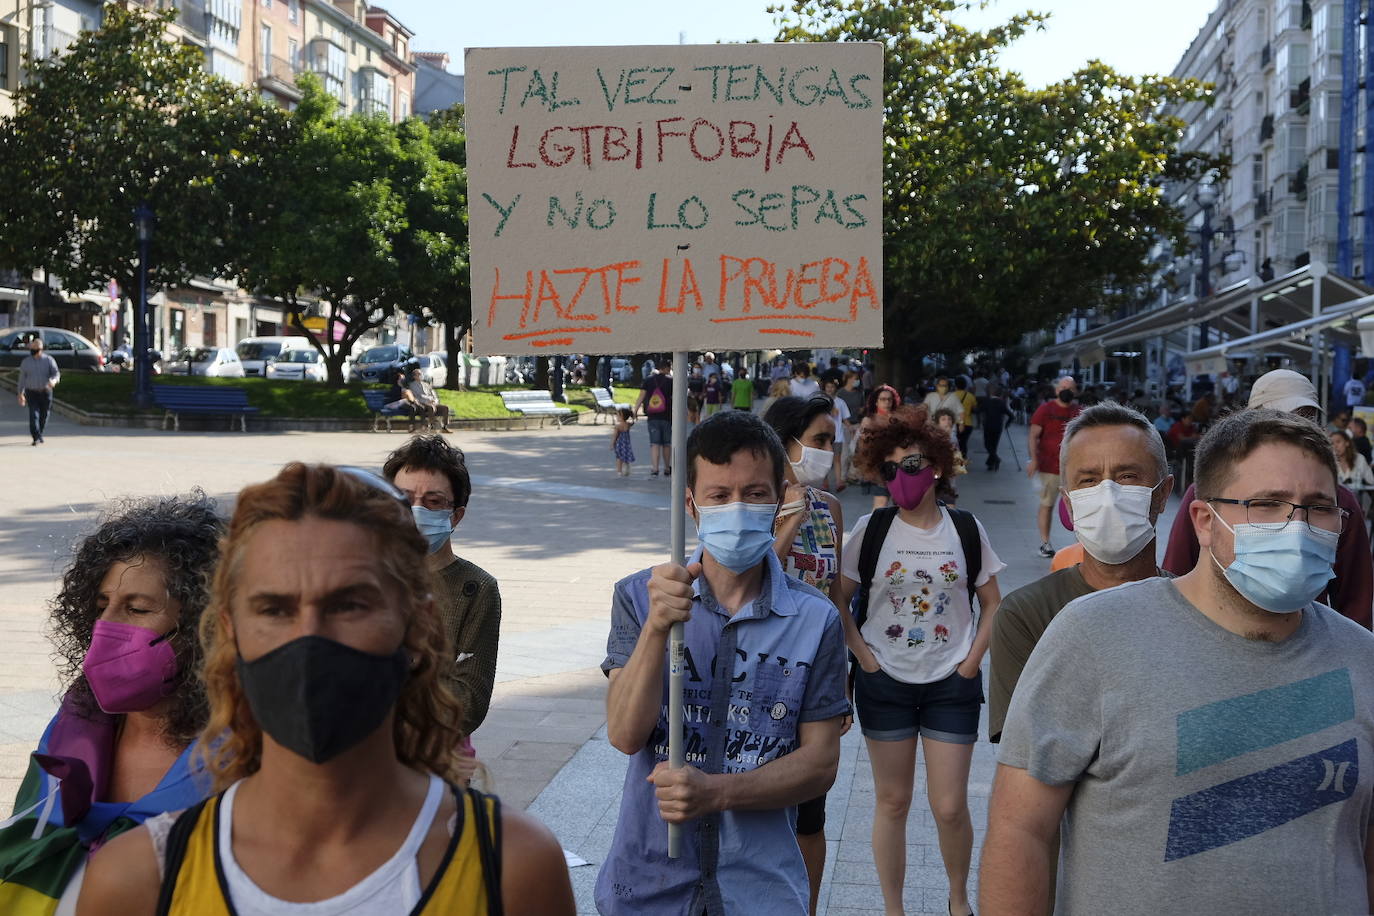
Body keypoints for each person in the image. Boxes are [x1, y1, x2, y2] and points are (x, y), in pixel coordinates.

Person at [78, 464, 573, 916]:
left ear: (416, 625)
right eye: (274, 609)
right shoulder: (137, 882)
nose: (309, 640)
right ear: (231, 632)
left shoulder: (512, 868)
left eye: (350, 604)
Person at [981, 409, 1374, 914]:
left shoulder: (1362, 658)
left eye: (1318, 507)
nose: (1296, 526)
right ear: (1205, 522)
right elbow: (1021, 830)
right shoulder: (1093, 637)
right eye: (1267, 504)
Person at [596, 411, 849, 916]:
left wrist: (717, 792)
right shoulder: (639, 597)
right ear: (691, 504)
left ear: (779, 498)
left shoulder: (815, 619)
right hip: (648, 886)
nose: (738, 508)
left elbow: (819, 764)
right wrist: (656, 629)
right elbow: (625, 734)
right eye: (719, 495)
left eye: (755, 494)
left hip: (758, 889)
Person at [0, 495, 223, 914]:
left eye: (137, 609)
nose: (106, 628)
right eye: (101, 606)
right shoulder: (73, 725)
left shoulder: (244, 749)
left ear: (203, 622)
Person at [986, 403, 1172, 901]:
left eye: (1128, 476)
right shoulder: (1028, 616)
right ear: (1067, 500)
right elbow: (1027, 809)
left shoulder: (1198, 610)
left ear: (1163, 494)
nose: (1107, 493)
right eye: (1088, 480)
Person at [833, 405, 1004, 916]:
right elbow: (837, 598)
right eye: (889, 469)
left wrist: (971, 663)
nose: (900, 478)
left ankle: (957, 900)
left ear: (934, 466)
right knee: (893, 801)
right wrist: (863, 658)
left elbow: (995, 602)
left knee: (950, 807)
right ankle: (894, 909)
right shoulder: (873, 529)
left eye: (909, 465)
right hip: (885, 681)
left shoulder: (966, 529)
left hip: (951, 683)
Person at [1163, 368, 1372, 629]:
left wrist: (1352, 655)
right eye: (1265, 504)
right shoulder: (1209, 494)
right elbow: (1177, 572)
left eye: (1306, 419)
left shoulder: (1340, 503)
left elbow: (1356, 598)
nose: (1292, 428)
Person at [761, 395, 848, 915]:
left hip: (814, 681)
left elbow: (837, 597)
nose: (826, 452)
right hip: (760, 673)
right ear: (786, 442)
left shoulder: (832, 508)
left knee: (810, 814)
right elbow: (751, 581)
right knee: (757, 803)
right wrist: (788, 517)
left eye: (830, 442)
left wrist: (844, 684)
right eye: (818, 440)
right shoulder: (755, 503)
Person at [383, 437, 501, 741]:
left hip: (434, 761)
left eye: (433, 502)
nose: (416, 511)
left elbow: (468, 704)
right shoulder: (358, 575)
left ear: (455, 515)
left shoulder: (476, 589)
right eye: (404, 499)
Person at [1027, 375, 1081, 558]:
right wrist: (1034, 460)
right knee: (1047, 505)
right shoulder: (1045, 409)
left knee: (1078, 507)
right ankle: (1045, 543)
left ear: (1075, 391)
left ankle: (1081, 545)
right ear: (1057, 390)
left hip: (1074, 469)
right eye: (1064, 386)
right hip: (1048, 467)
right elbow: (1033, 435)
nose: (1066, 390)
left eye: (1070, 387)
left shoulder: (1080, 412)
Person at [861, 384, 902, 510]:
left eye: (889, 399)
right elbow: (863, 446)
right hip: (879, 468)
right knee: (880, 504)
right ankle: (876, 529)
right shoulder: (868, 421)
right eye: (883, 399)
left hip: (899, 466)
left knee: (901, 504)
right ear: (876, 402)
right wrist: (866, 468)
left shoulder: (898, 419)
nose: (887, 402)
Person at [634, 359, 674, 477]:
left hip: (652, 416)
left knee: (654, 443)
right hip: (667, 416)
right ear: (667, 368)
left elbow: (641, 396)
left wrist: (635, 410)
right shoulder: (671, 381)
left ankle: (655, 468)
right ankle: (667, 468)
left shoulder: (649, 380)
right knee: (667, 443)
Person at [18, 335, 60, 445]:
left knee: (44, 415)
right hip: (31, 392)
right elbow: (22, 379)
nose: (32, 350)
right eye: (31, 348)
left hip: (45, 392)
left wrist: (53, 381)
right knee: (33, 415)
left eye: (34, 349)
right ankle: (35, 437)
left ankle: (39, 433)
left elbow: (56, 373)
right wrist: (20, 394)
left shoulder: (49, 360)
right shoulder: (26, 362)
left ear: (40, 350)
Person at [821, 377, 850, 491]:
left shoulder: (840, 402)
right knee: (824, 461)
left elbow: (845, 418)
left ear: (835, 389)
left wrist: (851, 428)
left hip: (837, 436)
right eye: (828, 387)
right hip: (824, 436)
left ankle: (839, 481)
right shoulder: (822, 401)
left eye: (832, 387)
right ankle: (825, 483)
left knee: (836, 460)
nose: (830, 389)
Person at [407, 367, 452, 433]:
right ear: (414, 376)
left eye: (421, 374)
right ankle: (432, 426)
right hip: (422, 403)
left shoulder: (426, 385)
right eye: (418, 374)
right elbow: (417, 396)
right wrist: (428, 400)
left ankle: (444, 427)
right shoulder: (412, 385)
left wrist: (435, 401)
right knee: (431, 407)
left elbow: (434, 395)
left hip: (432, 403)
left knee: (445, 408)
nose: (421, 375)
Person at [1333, 429, 1374, 494]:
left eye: (1338, 442)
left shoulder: (1359, 459)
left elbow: (1371, 481)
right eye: (1332, 443)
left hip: (1356, 501)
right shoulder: (1329, 461)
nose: (1335, 446)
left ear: (1347, 443)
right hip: (1336, 502)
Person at [981, 387, 1012, 471]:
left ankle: (996, 459)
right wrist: (1007, 424)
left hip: (988, 426)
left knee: (987, 445)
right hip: (998, 427)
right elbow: (1011, 415)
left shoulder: (987, 401)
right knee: (994, 446)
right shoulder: (1002, 403)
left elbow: (979, 410)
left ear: (992, 393)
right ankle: (990, 464)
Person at [953, 377, 977, 457]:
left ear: (955, 385)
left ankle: (956, 459)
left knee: (955, 443)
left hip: (955, 424)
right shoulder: (970, 396)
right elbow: (974, 409)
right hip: (967, 424)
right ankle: (963, 458)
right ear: (965, 385)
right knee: (963, 442)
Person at [612, 406, 636, 476]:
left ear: (621, 416)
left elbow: (615, 436)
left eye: (617, 415)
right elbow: (633, 423)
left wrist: (612, 444)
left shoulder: (617, 426)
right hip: (627, 444)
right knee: (626, 456)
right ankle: (627, 469)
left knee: (619, 458)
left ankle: (619, 471)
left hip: (619, 444)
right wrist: (633, 416)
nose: (616, 417)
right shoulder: (628, 424)